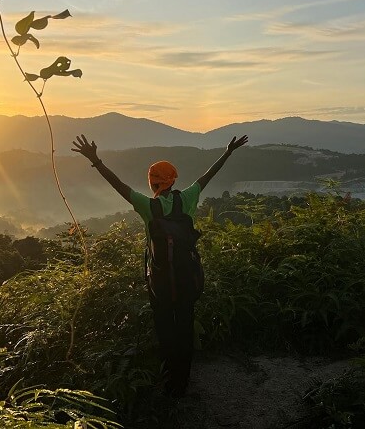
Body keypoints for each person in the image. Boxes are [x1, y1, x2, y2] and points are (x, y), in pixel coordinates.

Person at [71, 133, 248, 395]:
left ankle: (168, 382)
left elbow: (118, 185)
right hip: (187, 277)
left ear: (152, 183)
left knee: (165, 327)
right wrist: (228, 152)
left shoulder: (147, 206)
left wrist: (95, 160)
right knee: (185, 326)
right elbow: (207, 176)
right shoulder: (187, 199)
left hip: (160, 280)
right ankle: (183, 383)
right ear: (173, 179)